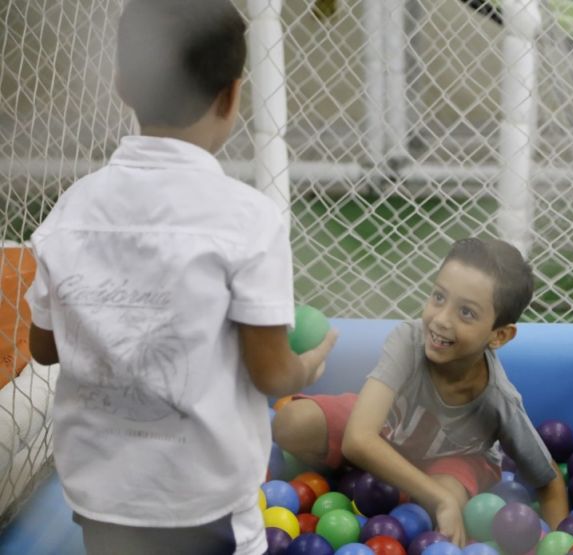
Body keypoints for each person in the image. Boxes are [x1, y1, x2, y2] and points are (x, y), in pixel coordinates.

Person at [25, 1, 337, 553]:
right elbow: (271, 374)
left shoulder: (68, 213)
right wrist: (309, 364)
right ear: (233, 95)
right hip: (204, 501)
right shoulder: (248, 219)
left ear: (122, 84)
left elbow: (45, 349)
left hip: (101, 498)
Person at [274, 237, 569, 546]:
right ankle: (375, 477)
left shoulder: (499, 401)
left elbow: (548, 479)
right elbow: (358, 438)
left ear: (499, 335)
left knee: (435, 515)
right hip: (389, 428)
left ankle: (395, 484)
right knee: (290, 423)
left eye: (466, 313)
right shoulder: (408, 340)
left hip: (455, 460)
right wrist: (438, 497)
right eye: (439, 297)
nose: (441, 320)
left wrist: (562, 541)